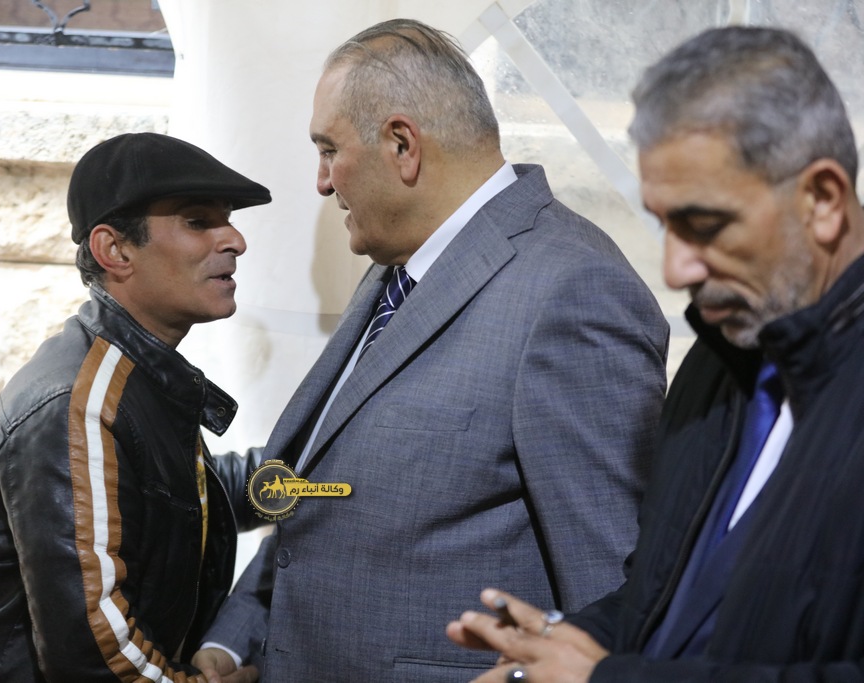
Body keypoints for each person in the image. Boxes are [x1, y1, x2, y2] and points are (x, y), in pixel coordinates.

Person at [195, 18, 669, 683]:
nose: (323, 181)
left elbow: (609, 593)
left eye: (329, 149)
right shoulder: (400, 268)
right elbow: (323, 498)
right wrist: (236, 639)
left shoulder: (574, 291)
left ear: (402, 145)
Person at [447, 25, 864, 683]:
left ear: (822, 200)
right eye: (665, 225)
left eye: (705, 226)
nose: (674, 269)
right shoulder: (718, 360)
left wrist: (604, 678)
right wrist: (563, 644)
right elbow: (666, 597)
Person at [0, 132, 271, 682]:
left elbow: (192, 499)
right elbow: (96, 658)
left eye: (229, 221)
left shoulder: (135, 376)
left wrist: (328, 476)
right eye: (198, 221)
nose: (235, 240)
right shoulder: (79, 406)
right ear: (114, 251)